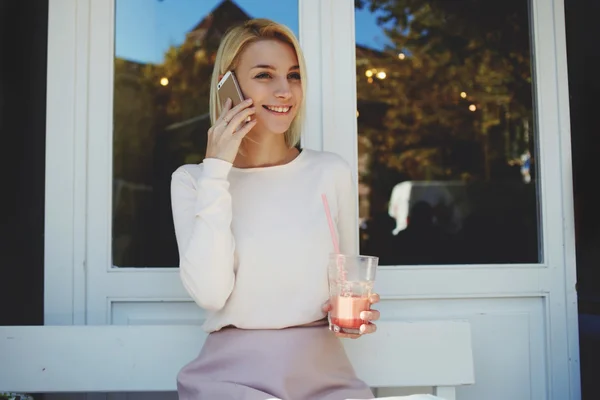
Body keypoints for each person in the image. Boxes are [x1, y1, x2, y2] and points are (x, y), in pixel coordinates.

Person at [170, 19, 381, 400]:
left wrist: (351, 318)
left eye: (294, 76)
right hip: (231, 380)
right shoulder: (193, 181)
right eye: (265, 75)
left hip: (326, 376)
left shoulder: (330, 173)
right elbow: (211, 294)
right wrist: (217, 170)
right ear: (228, 86)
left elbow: (347, 281)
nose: (285, 91)